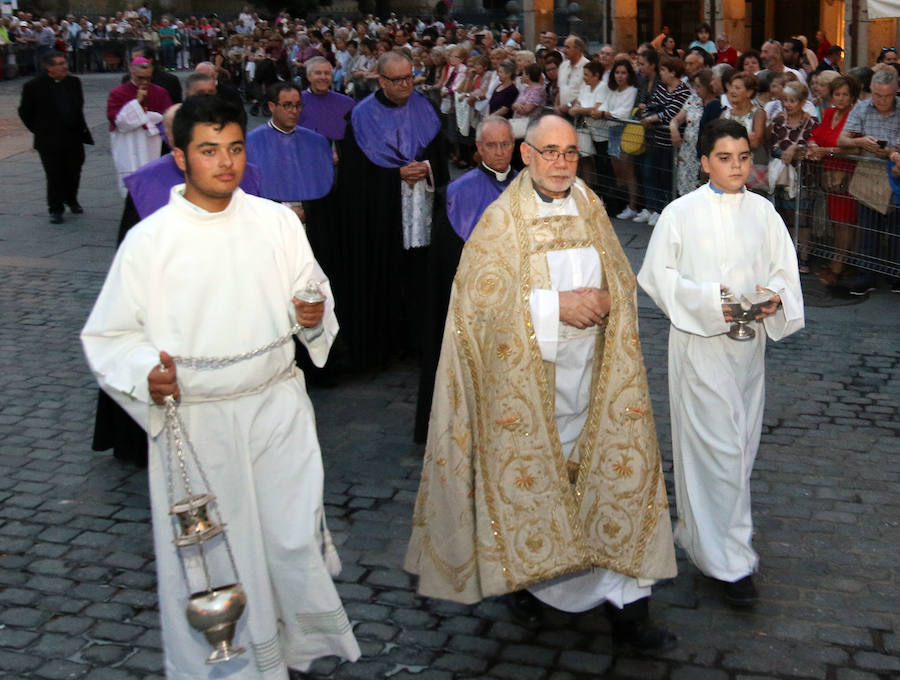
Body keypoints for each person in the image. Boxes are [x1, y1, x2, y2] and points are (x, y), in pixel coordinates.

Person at [81, 94, 361, 678]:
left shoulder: (277, 222)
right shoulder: (151, 242)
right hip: (200, 422)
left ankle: (296, 648)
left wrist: (310, 316)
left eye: (234, 148)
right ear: (180, 158)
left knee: (288, 540)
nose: (226, 163)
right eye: (209, 150)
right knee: (219, 559)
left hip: (276, 407)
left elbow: (312, 291)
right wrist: (143, 373)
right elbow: (110, 335)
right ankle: (230, 668)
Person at [405, 115, 678, 654]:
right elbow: (478, 307)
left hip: (596, 378)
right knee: (533, 490)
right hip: (528, 386)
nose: (561, 163)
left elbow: (621, 277)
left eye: (571, 153)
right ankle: (526, 584)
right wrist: (556, 308)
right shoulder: (502, 220)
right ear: (526, 155)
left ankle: (628, 606)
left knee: (612, 485)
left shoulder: (592, 206)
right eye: (549, 152)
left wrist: (608, 302)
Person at [637, 118, 804, 608]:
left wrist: (775, 296)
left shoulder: (765, 213)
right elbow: (656, 276)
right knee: (719, 452)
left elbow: (783, 268)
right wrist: (714, 303)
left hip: (749, 352)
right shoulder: (680, 213)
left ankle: (702, 537)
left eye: (744, 157)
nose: (736, 166)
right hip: (700, 348)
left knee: (741, 446)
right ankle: (729, 563)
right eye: (725, 158)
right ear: (705, 162)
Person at [334, 50, 449, 371]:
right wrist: (393, 174)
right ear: (381, 80)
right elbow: (353, 177)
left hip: (421, 211)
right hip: (382, 215)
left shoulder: (425, 108)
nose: (405, 85)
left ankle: (420, 342)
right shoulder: (360, 116)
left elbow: (440, 159)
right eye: (397, 80)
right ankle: (383, 347)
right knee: (386, 278)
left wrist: (426, 168)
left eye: (409, 77)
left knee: (420, 277)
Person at [413, 116, 518, 443]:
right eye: (492, 145)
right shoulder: (456, 194)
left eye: (506, 144)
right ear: (479, 148)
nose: (500, 152)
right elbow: (444, 266)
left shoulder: (527, 188)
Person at [838, 68, 900, 294]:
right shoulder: (862, 108)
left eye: (887, 96)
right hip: (868, 173)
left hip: (895, 174)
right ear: (871, 91)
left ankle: (896, 276)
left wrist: (893, 151)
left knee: (896, 230)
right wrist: (862, 142)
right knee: (868, 228)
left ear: (896, 92)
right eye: (877, 95)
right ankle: (867, 275)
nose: (882, 100)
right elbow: (842, 139)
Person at [18, 51, 94, 224]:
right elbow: (25, 112)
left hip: (73, 136)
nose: (64, 66)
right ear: (49, 67)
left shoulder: (74, 82)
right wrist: (39, 129)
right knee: (54, 174)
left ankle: (71, 198)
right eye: (59, 64)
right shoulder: (33, 86)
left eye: (64, 63)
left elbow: (78, 105)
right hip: (49, 139)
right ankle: (55, 208)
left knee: (74, 170)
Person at [245, 82, 334, 219]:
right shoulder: (251, 142)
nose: (294, 111)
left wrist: (305, 208)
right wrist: (286, 209)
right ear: (271, 106)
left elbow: (321, 182)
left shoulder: (315, 141)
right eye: (287, 105)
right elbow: (250, 191)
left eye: (298, 105)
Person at [806, 76, 860, 286]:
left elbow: (853, 147)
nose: (840, 98)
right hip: (830, 173)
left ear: (852, 96)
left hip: (848, 173)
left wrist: (824, 150)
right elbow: (816, 135)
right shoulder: (829, 113)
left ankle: (840, 263)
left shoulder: (855, 116)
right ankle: (839, 259)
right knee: (836, 221)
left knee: (846, 221)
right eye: (837, 94)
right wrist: (812, 145)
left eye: (845, 94)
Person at [107, 56, 173, 196]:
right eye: (140, 78)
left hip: (152, 144)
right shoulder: (118, 93)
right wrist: (137, 103)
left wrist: (142, 116)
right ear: (132, 72)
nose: (144, 82)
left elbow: (167, 116)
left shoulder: (160, 92)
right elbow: (116, 119)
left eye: (148, 78)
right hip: (128, 144)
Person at [297, 56, 356, 142]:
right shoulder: (296, 101)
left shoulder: (347, 103)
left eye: (327, 73)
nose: (323, 77)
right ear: (308, 76)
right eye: (318, 73)